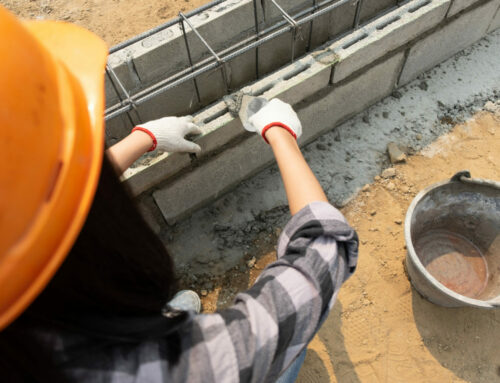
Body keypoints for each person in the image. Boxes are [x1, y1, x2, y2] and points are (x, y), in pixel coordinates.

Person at [0, 6, 358, 383]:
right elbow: (323, 249)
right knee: (289, 352)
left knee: (175, 312)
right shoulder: (180, 371)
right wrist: (280, 133)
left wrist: (143, 138)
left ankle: (170, 315)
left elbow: (48, 202)